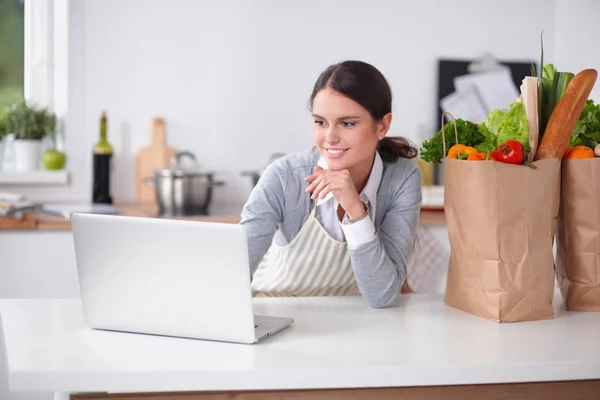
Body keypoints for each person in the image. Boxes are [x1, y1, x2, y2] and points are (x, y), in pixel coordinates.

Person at [240, 60, 422, 308]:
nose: (330, 138)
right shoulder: (284, 176)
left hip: (356, 324)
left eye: (348, 123)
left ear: (383, 126)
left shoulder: (402, 179)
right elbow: (234, 272)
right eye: (320, 122)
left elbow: (382, 295)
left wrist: (355, 209)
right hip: (276, 309)